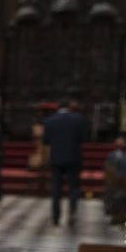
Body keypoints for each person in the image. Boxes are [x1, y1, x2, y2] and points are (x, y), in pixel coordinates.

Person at [42, 94, 86, 226]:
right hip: (73, 157)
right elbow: (83, 138)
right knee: (74, 187)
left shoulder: (50, 120)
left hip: (56, 158)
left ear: (58, 107)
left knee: (56, 189)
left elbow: (46, 141)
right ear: (70, 106)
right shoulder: (78, 119)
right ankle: (72, 212)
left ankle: (56, 217)